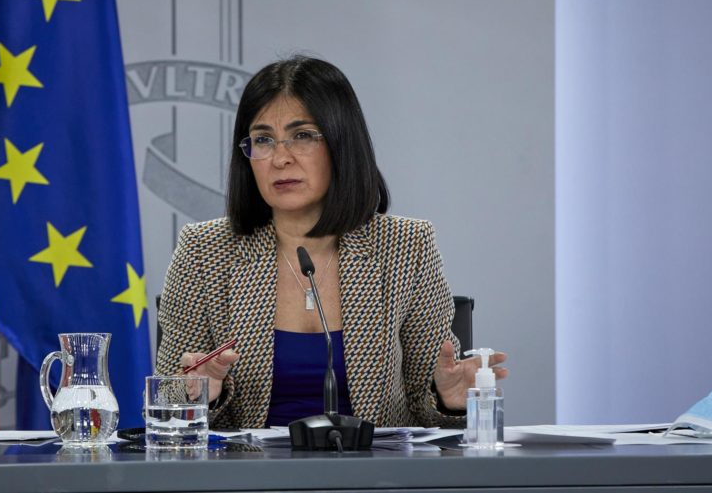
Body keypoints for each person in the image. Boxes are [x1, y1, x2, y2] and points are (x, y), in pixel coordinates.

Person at [155, 55, 507, 429]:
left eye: (302, 135)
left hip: (374, 480)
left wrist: (449, 402)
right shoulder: (205, 250)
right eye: (263, 140)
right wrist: (198, 394)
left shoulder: (406, 247)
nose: (279, 158)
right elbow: (164, 401)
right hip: (246, 481)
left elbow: (428, 406)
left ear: (341, 143)